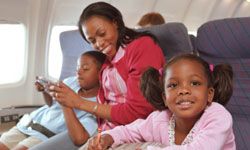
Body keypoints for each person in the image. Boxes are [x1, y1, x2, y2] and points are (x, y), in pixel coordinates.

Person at [48, 1, 165, 148]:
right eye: (92, 41)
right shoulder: (107, 61)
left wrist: (78, 102)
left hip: (135, 132)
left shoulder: (142, 47)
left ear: (115, 22)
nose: (99, 43)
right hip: (107, 133)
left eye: (102, 34)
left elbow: (139, 111)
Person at [87, 54, 236, 150]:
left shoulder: (218, 116)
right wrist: (108, 137)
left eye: (195, 83)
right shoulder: (160, 119)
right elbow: (129, 131)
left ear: (210, 94)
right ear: (164, 97)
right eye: (173, 85)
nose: (183, 90)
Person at [0, 51, 106, 150]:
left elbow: (79, 138)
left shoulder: (98, 105)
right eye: (78, 67)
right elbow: (51, 104)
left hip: (45, 135)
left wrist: (65, 102)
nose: (78, 71)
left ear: (101, 74)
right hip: (29, 123)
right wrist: (45, 91)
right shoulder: (71, 81)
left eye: (85, 68)